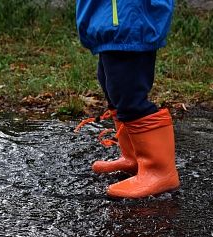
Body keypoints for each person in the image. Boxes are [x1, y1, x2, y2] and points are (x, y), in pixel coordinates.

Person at [76, 0, 180, 198]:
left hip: (128, 21)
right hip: (111, 21)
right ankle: (134, 157)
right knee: (112, 87)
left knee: (129, 94)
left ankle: (159, 171)